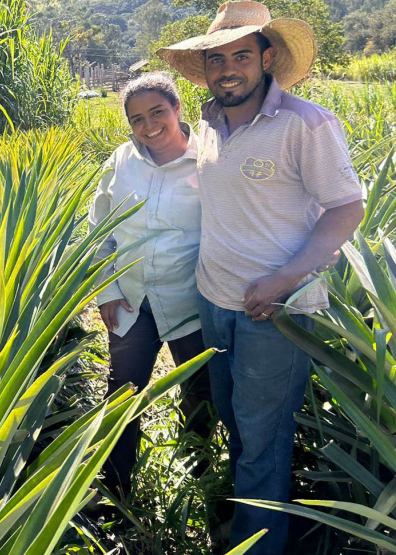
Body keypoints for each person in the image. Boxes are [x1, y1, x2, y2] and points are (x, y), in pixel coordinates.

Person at [158, 2, 365, 552]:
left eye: (242, 56)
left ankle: (259, 544)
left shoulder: (306, 123)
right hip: (215, 299)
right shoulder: (206, 121)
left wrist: (285, 278)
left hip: (278, 311)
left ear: (267, 58)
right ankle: (253, 521)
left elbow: (346, 207)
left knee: (263, 436)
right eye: (217, 57)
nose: (229, 68)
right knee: (235, 420)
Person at [89, 72, 213, 501]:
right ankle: (116, 490)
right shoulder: (121, 161)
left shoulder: (210, 160)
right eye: (137, 118)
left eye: (157, 112)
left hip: (191, 300)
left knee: (200, 391)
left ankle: (201, 478)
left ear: (178, 109)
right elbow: (98, 228)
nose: (149, 125)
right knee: (122, 392)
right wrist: (105, 290)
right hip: (132, 300)